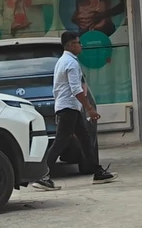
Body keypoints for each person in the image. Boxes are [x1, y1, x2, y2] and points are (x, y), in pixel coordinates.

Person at [33, 32, 116, 189]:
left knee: (85, 138)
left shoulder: (63, 61)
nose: (81, 45)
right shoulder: (70, 63)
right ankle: (42, 175)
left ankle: (97, 172)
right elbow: (76, 89)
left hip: (70, 108)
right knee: (61, 142)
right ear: (70, 45)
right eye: (78, 43)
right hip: (68, 108)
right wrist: (89, 108)